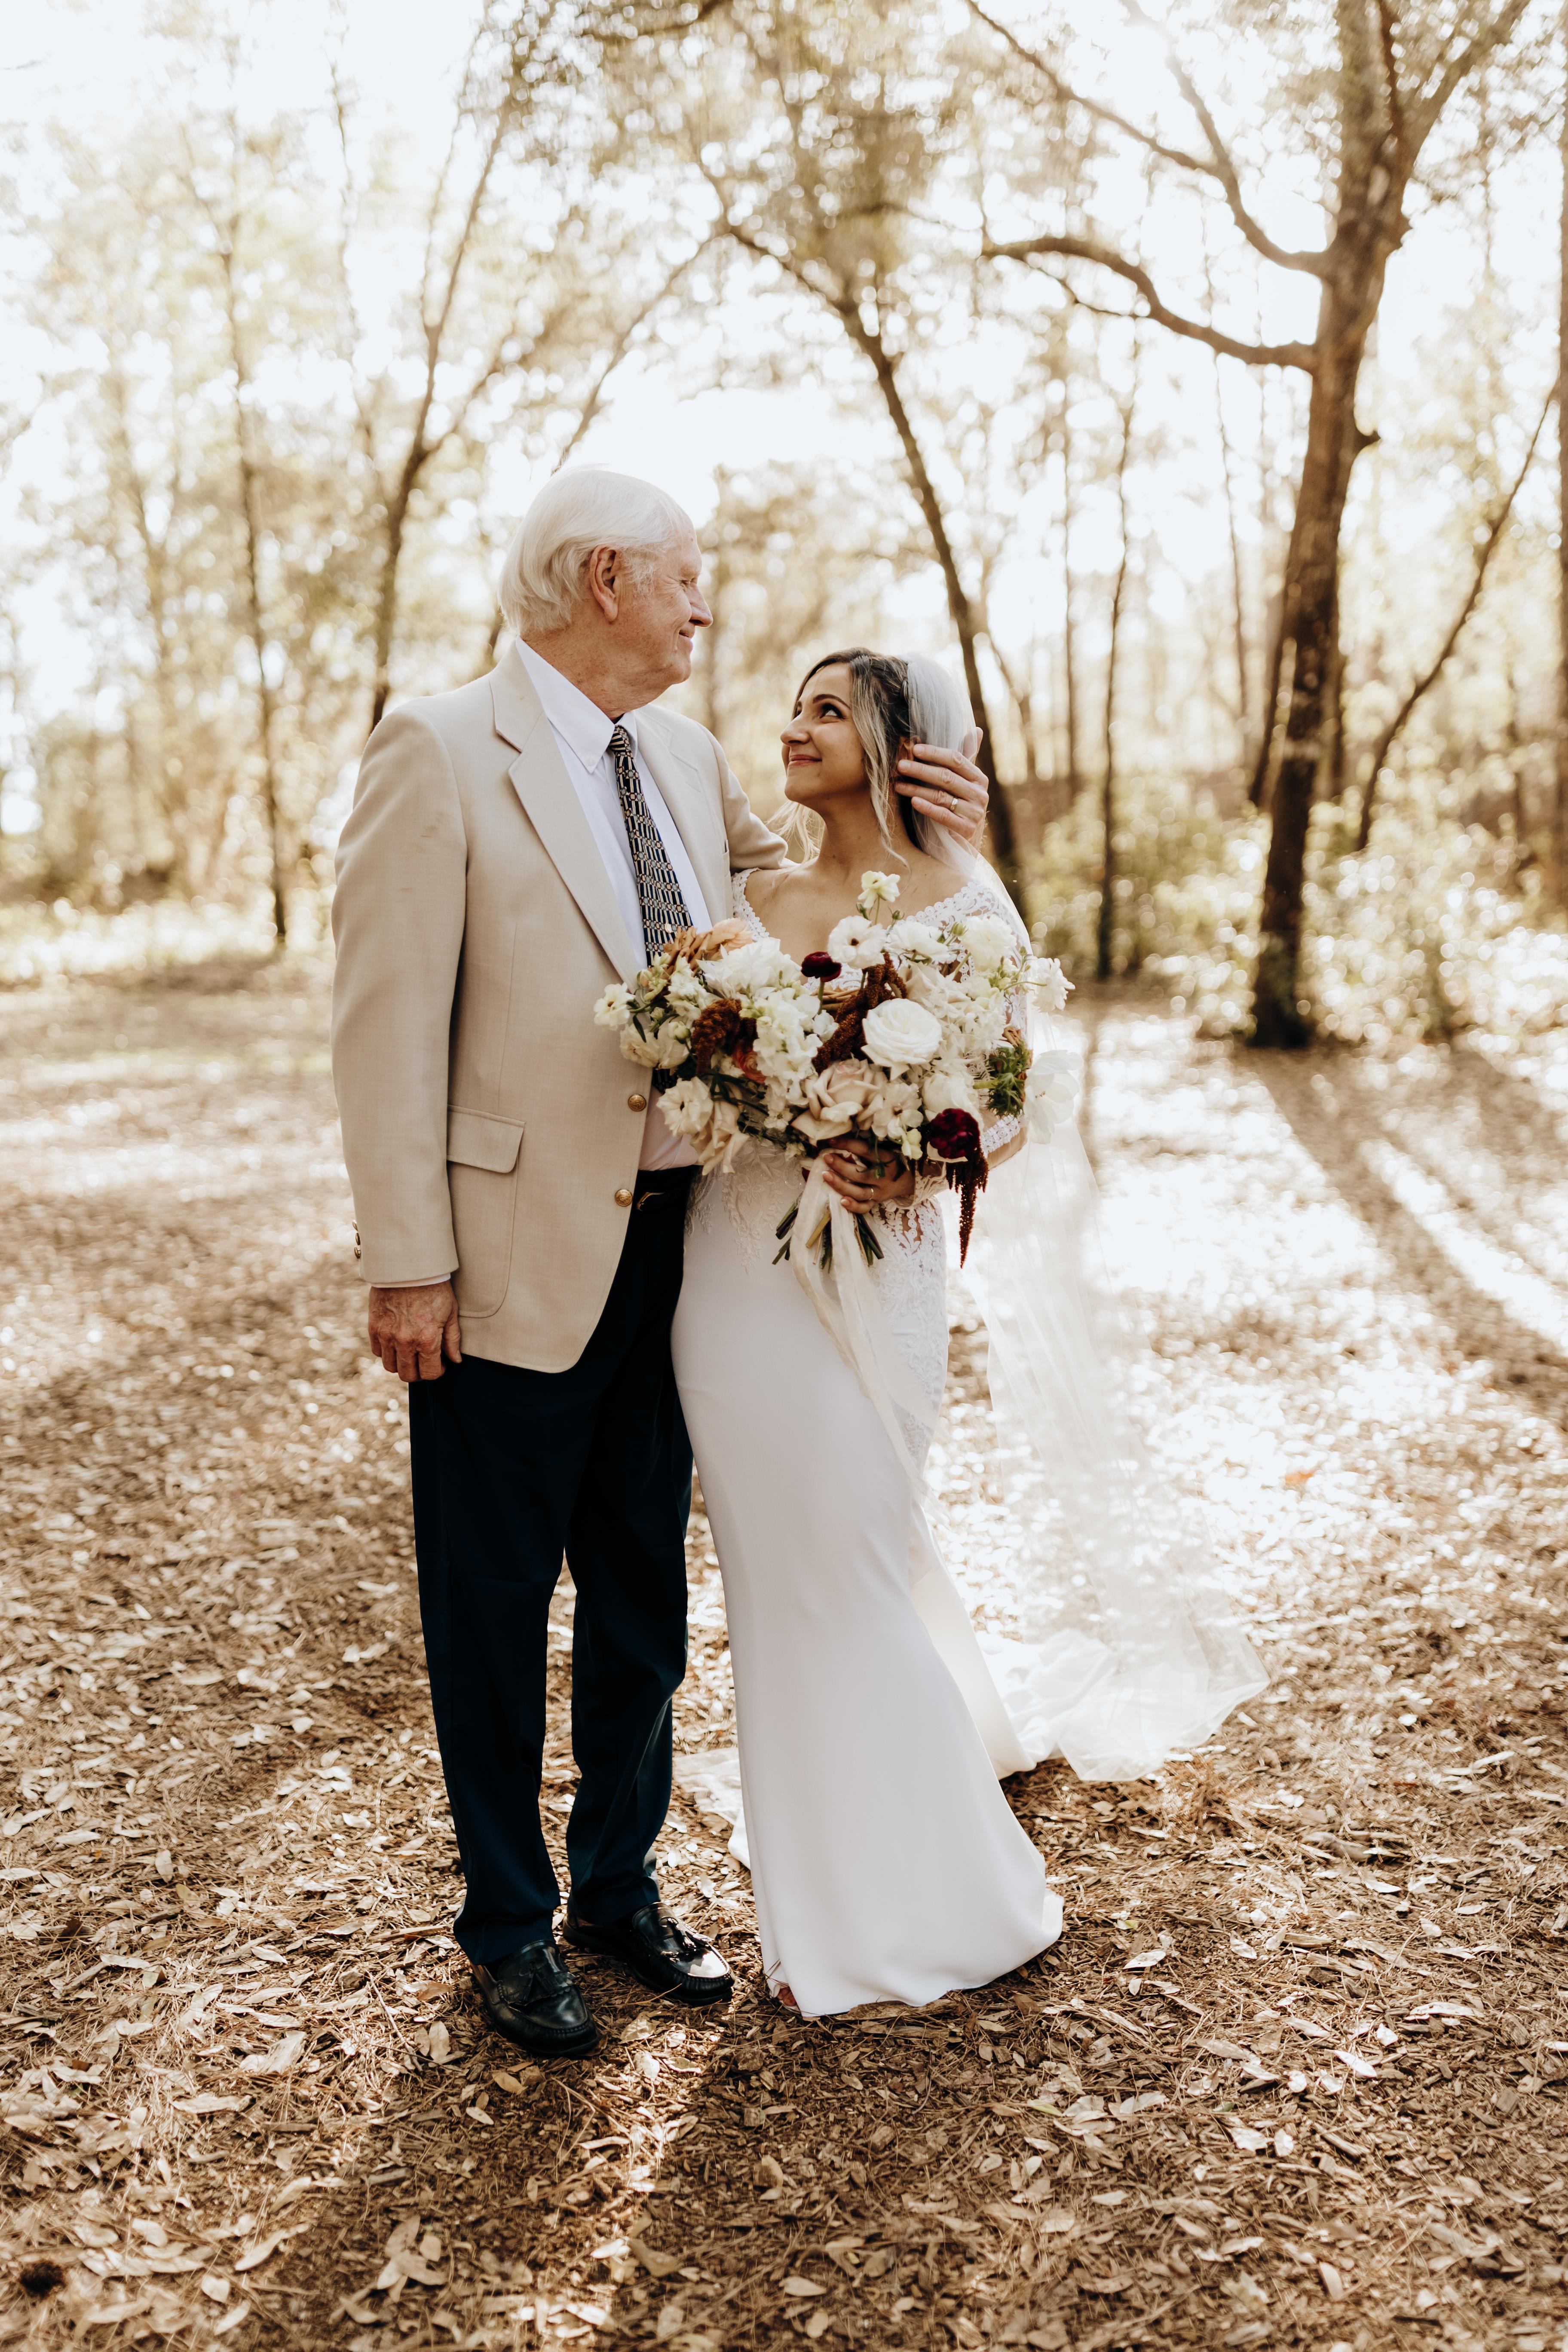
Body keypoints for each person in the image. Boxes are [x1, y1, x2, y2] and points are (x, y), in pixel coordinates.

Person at [328, 473, 991, 2056]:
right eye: (688, 577)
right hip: (504, 1264)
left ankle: (616, 1892)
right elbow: (382, 1030)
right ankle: (509, 1926)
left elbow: (839, 903)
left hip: (693, 1258)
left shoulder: (688, 759)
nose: (706, 605)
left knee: (640, 1602)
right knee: (494, 1605)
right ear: (605, 578)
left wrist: (949, 833)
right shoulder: (437, 748)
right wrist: (408, 1265)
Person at [669, 648, 1266, 2017]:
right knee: (774, 1574)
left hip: (877, 1267)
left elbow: (1008, 1104)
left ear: (898, 748)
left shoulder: (961, 899)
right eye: (797, 706)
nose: (795, 728)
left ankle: (937, 1897)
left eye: (829, 712)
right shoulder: (750, 900)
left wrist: (912, 1156)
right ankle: (818, 1900)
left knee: (852, 1552)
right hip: (737, 1270)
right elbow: (711, 1071)